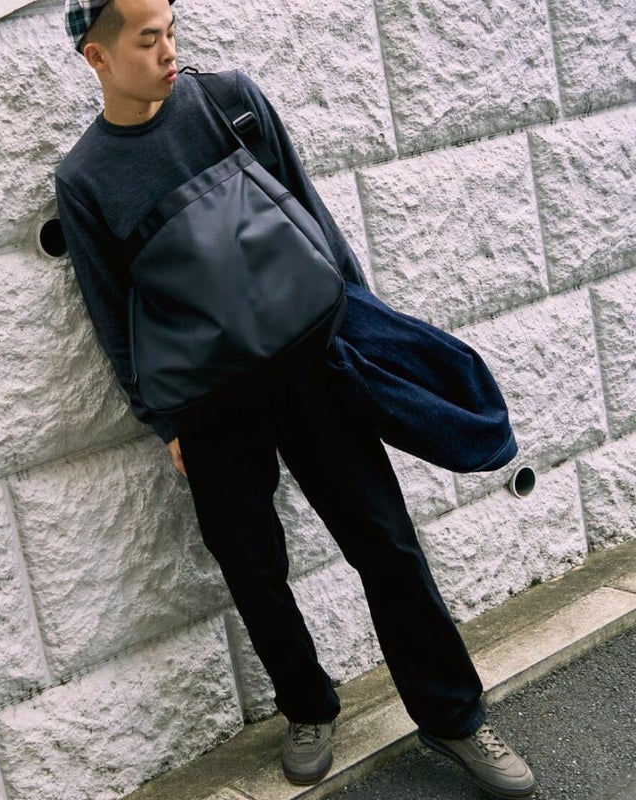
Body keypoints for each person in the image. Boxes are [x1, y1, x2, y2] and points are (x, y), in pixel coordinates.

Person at [55, 0, 537, 796]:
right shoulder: (85, 179)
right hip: (208, 402)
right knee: (253, 570)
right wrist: (163, 422)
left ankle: (454, 717)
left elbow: (313, 219)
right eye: (147, 40)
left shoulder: (228, 100)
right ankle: (308, 708)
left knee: (385, 543)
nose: (169, 51)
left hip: (315, 363)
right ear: (97, 57)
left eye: (172, 30)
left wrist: (362, 330)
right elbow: (112, 312)